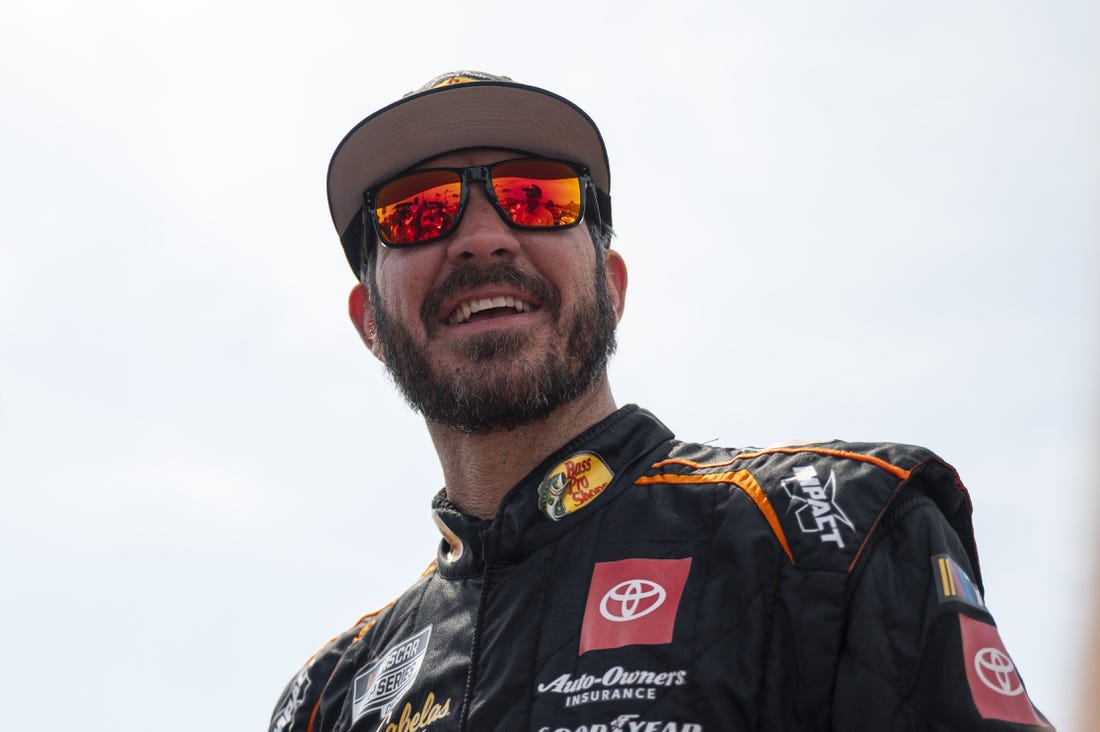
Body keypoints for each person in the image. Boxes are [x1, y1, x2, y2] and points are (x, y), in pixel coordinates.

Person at [270, 70, 1051, 732]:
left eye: (537, 198)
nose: (483, 237)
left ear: (610, 288)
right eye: (418, 212)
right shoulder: (327, 699)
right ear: (370, 321)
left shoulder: (838, 528)